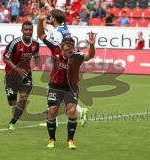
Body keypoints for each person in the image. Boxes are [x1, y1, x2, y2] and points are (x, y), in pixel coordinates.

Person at [37, 7, 96, 149]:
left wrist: (92, 46)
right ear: (61, 47)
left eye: (71, 49)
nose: (68, 52)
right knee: (52, 111)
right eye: (66, 49)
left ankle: (70, 140)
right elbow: (40, 35)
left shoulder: (76, 55)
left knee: (71, 111)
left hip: (71, 86)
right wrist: (40, 20)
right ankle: (51, 139)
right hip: (55, 85)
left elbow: (89, 56)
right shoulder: (55, 49)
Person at [41, 0, 89, 126]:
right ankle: (56, 117)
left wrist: (43, 19)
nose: (49, 17)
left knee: (54, 90)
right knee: (57, 92)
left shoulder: (57, 33)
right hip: (67, 61)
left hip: (60, 62)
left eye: (50, 17)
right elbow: (50, 22)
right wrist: (47, 7)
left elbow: (54, 46)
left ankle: (75, 112)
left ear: (54, 19)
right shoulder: (63, 27)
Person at [3, 21, 40, 130]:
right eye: (26, 29)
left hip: (26, 75)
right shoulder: (15, 43)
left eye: (30, 30)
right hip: (11, 75)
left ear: (32, 31)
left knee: (23, 98)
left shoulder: (36, 44)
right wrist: (16, 68)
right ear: (22, 30)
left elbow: (37, 56)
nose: (28, 32)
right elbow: (5, 58)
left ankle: (13, 122)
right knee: (11, 101)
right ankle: (15, 107)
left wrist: (38, 63)